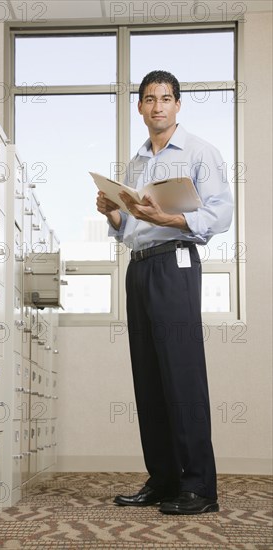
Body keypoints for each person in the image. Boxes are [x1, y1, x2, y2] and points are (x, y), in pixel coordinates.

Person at [97, 70, 233, 515]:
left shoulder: (199, 152)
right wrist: (115, 216)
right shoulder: (136, 164)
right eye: (150, 98)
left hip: (175, 263)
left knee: (182, 375)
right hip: (139, 269)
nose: (158, 106)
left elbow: (219, 216)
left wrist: (166, 221)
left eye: (167, 98)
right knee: (149, 378)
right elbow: (132, 230)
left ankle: (198, 488)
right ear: (139, 107)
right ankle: (163, 479)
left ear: (178, 105)